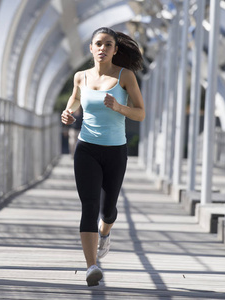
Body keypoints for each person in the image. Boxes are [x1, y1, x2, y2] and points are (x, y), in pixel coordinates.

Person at [61, 27, 145, 287]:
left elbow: (140, 113)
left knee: (107, 210)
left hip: (115, 151)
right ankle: (91, 266)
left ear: (115, 50)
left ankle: (105, 233)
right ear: (91, 48)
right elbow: (74, 101)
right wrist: (67, 112)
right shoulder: (81, 77)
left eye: (108, 44)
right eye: (98, 43)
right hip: (86, 149)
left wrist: (119, 107)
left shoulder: (125, 76)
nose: (103, 48)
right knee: (89, 206)